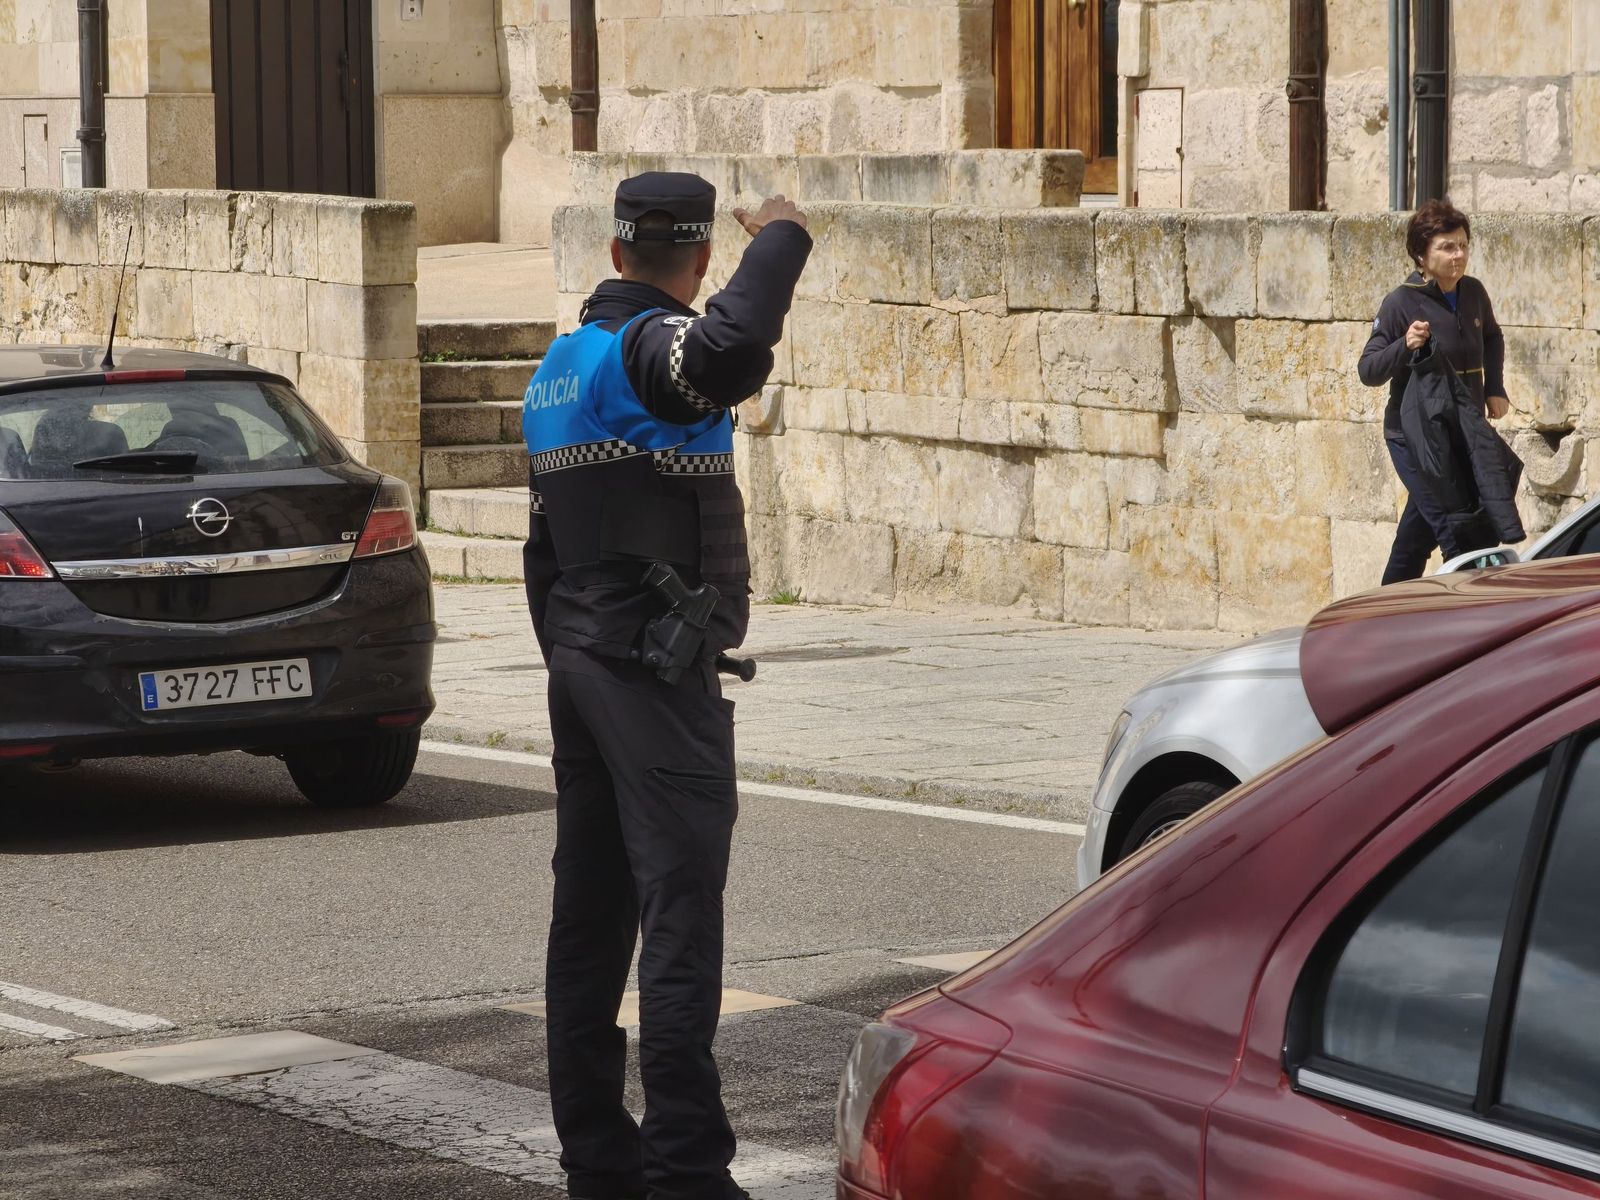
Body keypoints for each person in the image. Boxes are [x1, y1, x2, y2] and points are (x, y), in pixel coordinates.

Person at [522, 172, 811, 1200]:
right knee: (680, 910)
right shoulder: (648, 353)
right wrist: (782, 238)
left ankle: (599, 1163)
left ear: (612, 253)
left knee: (590, 917)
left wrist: (570, 661)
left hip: (581, 661)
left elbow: (542, 556)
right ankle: (689, 1170)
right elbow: (726, 352)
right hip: (653, 671)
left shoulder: (556, 368)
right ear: (693, 265)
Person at [1358, 198, 1511, 584]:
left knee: (1418, 532)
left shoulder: (1473, 292)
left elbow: (1492, 337)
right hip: (1415, 439)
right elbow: (1368, 369)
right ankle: (1467, 615)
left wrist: (1494, 386)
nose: (1458, 255)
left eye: (1462, 245)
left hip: (1462, 434)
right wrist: (1404, 344)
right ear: (1421, 255)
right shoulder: (1400, 302)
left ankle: (1387, 609)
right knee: (1453, 528)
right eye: (1447, 247)